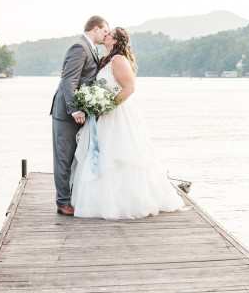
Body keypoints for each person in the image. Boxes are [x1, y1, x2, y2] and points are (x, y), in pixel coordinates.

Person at [69, 27, 185, 219]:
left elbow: (129, 88)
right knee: (102, 157)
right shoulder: (105, 60)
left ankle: (126, 202)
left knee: (119, 157)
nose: (105, 34)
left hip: (117, 114)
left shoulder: (119, 60)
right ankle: (101, 201)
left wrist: (108, 106)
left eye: (109, 34)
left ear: (114, 41)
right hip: (102, 116)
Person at [50, 15, 109, 216]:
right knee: (63, 158)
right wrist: (74, 109)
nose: (105, 34)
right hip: (66, 113)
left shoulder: (90, 48)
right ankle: (63, 202)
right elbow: (69, 81)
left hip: (80, 112)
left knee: (76, 157)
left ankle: (73, 197)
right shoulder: (79, 47)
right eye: (104, 30)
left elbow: (83, 77)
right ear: (95, 28)